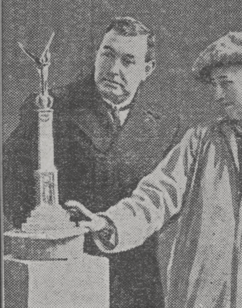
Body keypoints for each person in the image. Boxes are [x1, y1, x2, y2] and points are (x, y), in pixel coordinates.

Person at [66, 32, 242, 308]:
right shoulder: (200, 141)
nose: (217, 95)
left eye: (225, 84)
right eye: (214, 84)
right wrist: (109, 224)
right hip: (202, 298)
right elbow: (154, 198)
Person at [4, 16, 181, 308]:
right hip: (66, 270)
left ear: (147, 69)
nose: (113, 70)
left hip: (135, 278)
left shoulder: (165, 126)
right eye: (107, 55)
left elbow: (168, 204)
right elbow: (11, 180)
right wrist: (48, 241)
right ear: (96, 54)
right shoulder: (52, 106)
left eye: (128, 61)